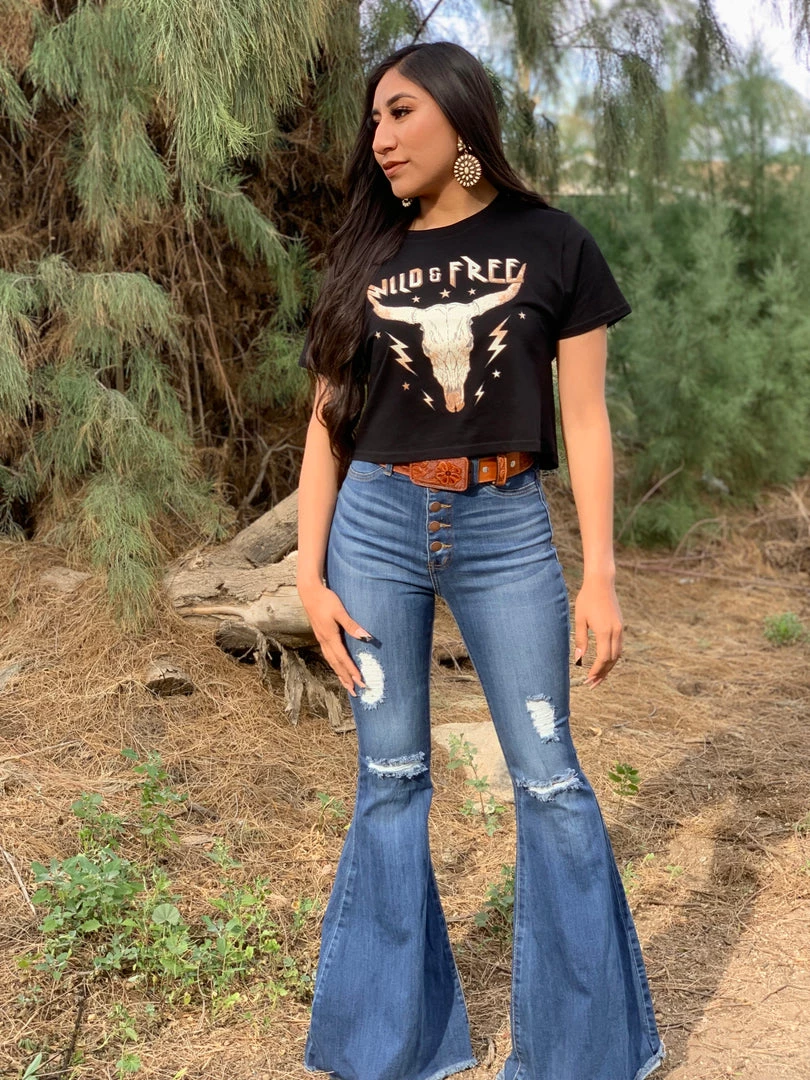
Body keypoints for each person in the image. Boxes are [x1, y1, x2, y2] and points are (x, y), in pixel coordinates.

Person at [295, 39, 665, 1080]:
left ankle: (582, 1057)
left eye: (401, 112)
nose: (381, 137)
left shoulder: (554, 243)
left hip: (506, 527)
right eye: (374, 120)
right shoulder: (367, 257)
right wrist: (307, 576)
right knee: (390, 778)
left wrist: (601, 574)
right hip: (375, 524)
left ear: (460, 117)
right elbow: (325, 425)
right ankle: (390, 1051)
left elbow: (584, 421)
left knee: (549, 780)